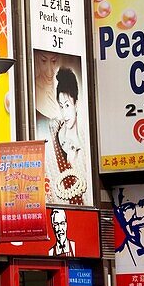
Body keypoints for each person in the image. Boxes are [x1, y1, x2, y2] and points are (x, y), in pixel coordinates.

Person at [49, 68, 87, 205]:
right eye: (61, 106)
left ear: (76, 104)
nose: (65, 113)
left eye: (67, 105)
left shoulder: (85, 143)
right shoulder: (54, 136)